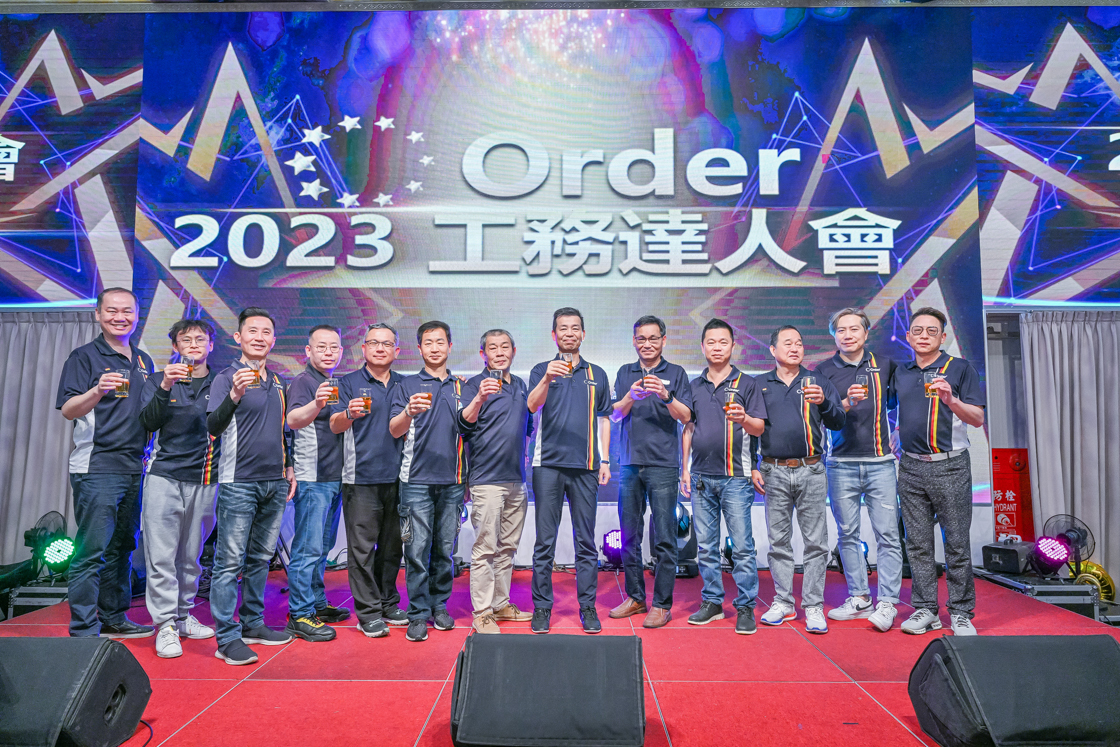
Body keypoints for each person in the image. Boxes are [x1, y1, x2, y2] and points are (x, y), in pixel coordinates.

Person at [56, 287, 155, 639]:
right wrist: (97, 390)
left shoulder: (143, 360)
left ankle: (114, 616)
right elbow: (69, 410)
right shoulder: (84, 357)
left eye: (127, 311)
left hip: (134, 468)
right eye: (112, 311)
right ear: (98, 315)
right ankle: (84, 628)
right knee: (91, 551)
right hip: (96, 467)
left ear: (137, 316)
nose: (120, 317)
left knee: (123, 548)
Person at [207, 308, 296, 665]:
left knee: (260, 558)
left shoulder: (278, 381)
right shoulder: (225, 378)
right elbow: (213, 427)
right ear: (238, 337)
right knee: (229, 562)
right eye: (252, 331)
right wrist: (234, 395)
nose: (259, 337)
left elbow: (283, 431)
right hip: (238, 483)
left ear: (273, 340)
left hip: (275, 482)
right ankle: (226, 638)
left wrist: (289, 468)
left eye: (266, 332)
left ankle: (253, 624)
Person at [893, 307, 986, 637]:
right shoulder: (901, 372)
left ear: (943, 337)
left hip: (950, 465)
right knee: (917, 544)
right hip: (910, 466)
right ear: (908, 336)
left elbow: (977, 418)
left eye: (931, 331)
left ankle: (960, 612)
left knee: (956, 543)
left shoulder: (959, 368)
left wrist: (951, 400)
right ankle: (925, 609)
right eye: (917, 330)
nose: (924, 336)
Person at [814, 308, 903, 632]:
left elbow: (906, 399)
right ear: (834, 335)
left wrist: (900, 428)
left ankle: (888, 602)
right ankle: (860, 597)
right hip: (840, 464)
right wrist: (847, 403)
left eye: (854, 329)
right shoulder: (823, 371)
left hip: (881, 463)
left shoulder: (885, 365)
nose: (848, 335)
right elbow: (822, 416)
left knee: (888, 535)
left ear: (866, 333)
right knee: (847, 534)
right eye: (841, 330)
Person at [753, 325, 845, 634]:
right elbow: (749, 429)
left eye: (799, 344)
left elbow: (838, 421)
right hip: (773, 470)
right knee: (778, 542)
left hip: (812, 469)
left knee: (816, 543)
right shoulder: (759, 384)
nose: (795, 348)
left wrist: (824, 402)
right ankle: (783, 602)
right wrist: (752, 466)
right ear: (772, 350)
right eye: (788, 343)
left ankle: (813, 605)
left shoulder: (818, 381)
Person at [527, 307, 612, 635]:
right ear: (554, 335)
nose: (569, 333)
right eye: (563, 328)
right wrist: (548, 378)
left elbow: (603, 419)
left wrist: (605, 460)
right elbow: (532, 405)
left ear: (583, 334)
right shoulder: (541, 370)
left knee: (585, 542)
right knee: (544, 543)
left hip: (586, 467)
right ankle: (542, 607)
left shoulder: (597, 374)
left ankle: (588, 607)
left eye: (575, 328)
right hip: (547, 466)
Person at [137, 318, 220, 658]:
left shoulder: (221, 382)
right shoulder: (159, 379)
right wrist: (165, 386)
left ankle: (184, 615)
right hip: (164, 476)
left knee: (191, 555)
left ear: (211, 345)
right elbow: (148, 421)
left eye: (201, 339)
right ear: (175, 346)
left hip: (206, 477)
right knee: (161, 556)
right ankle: (165, 625)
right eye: (186, 340)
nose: (194, 344)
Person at [680, 319, 767, 634]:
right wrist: (684, 469)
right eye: (711, 342)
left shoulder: (747, 383)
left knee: (742, 547)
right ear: (703, 347)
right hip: (701, 477)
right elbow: (688, 428)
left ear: (733, 346)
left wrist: (743, 418)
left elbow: (759, 428)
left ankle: (745, 606)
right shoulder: (693, 385)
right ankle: (713, 602)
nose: (717, 348)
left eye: (723, 342)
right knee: (706, 546)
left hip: (736, 477)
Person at [608, 315, 693, 628]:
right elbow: (614, 415)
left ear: (664, 341)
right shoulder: (625, 372)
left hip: (664, 465)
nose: (647, 344)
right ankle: (635, 597)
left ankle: (661, 604)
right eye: (641, 338)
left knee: (665, 538)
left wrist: (665, 395)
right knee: (629, 535)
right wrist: (630, 396)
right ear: (634, 341)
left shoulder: (676, 373)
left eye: (653, 338)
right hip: (630, 464)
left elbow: (686, 417)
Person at [389, 321, 468, 643]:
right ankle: (418, 613)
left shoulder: (462, 386)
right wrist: (408, 411)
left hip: (454, 480)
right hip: (415, 481)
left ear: (450, 346)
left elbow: (471, 431)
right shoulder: (406, 385)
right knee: (416, 551)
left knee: (444, 550)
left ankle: (440, 606)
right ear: (419, 348)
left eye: (440, 342)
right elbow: (394, 430)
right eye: (428, 343)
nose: (435, 348)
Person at [329, 323, 408, 638]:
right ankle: (368, 613)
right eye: (373, 343)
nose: (379, 348)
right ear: (363, 348)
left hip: (400, 478)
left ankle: (388, 602)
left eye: (386, 344)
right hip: (360, 478)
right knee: (361, 550)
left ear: (396, 351)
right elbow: (334, 425)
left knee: (392, 547)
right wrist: (348, 413)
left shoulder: (405, 384)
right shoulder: (346, 383)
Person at [459, 329, 534, 634]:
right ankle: (482, 612)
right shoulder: (473, 385)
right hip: (486, 480)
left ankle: (501, 604)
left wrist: (524, 455)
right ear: (483, 354)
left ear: (514, 351)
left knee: (508, 548)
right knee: (485, 548)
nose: (500, 352)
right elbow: (463, 425)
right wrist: (479, 397)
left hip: (516, 479)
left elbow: (527, 427)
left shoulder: (521, 385)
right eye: (493, 348)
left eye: (505, 347)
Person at [284, 325, 351, 643]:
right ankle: (299, 614)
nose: (328, 352)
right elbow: (292, 420)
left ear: (341, 352)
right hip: (312, 477)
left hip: (333, 476)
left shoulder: (334, 382)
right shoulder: (304, 381)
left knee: (322, 548)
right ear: (308, 351)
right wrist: (318, 404)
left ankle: (317, 604)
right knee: (307, 549)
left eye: (334, 347)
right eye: (321, 347)